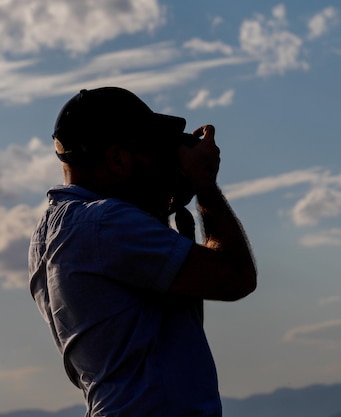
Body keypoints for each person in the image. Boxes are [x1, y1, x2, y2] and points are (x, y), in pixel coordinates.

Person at [28, 87, 257, 417]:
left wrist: (168, 200)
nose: (161, 165)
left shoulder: (49, 236)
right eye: (151, 152)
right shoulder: (106, 223)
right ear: (118, 159)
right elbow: (235, 276)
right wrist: (205, 185)